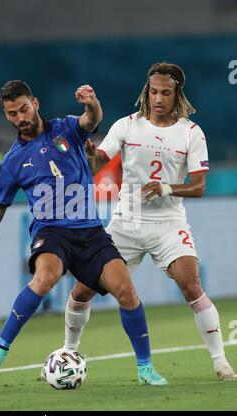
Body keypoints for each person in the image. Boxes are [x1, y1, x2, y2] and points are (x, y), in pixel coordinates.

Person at [0, 80, 166, 385]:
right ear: (7, 116)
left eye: (23, 108)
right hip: (52, 232)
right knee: (45, 277)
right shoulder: (11, 162)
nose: (20, 117)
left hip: (90, 231)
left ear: (35, 103)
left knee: (127, 291)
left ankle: (145, 368)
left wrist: (90, 102)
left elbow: (93, 120)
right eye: (12, 113)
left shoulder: (66, 129)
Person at [63, 62, 237, 382]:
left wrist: (167, 188)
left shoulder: (191, 133)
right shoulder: (126, 126)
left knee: (192, 286)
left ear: (176, 95)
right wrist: (89, 156)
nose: (158, 98)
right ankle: (67, 352)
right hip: (126, 223)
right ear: (147, 91)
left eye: (165, 93)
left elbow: (198, 186)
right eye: (154, 91)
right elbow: (97, 163)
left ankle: (221, 362)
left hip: (169, 222)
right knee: (83, 289)